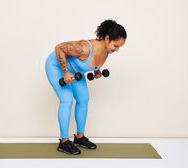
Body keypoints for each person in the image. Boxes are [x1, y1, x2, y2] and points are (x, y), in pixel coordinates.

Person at [45, 19, 127, 155]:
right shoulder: (83, 47)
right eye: (115, 45)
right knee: (67, 99)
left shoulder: (107, 51)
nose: (116, 50)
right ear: (107, 38)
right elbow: (59, 48)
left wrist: (96, 71)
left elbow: (92, 63)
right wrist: (65, 71)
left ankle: (79, 137)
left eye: (119, 47)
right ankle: (64, 142)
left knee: (83, 99)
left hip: (76, 71)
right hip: (57, 66)